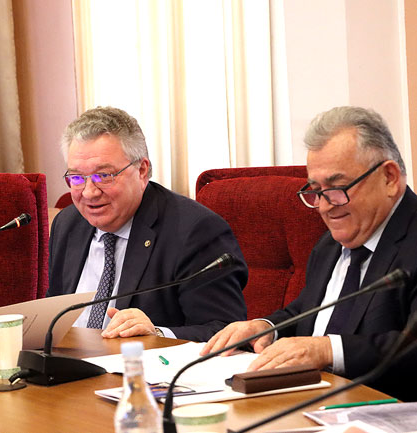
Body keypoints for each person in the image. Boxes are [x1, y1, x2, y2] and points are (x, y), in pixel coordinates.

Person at [202, 106, 417, 400]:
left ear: (389, 178)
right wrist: (266, 327)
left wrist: (327, 350)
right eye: (316, 190)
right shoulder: (330, 245)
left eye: (337, 188)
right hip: (306, 402)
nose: (324, 206)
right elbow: (308, 312)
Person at [48, 106, 247, 342]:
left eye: (104, 176)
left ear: (142, 171)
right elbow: (55, 314)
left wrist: (157, 334)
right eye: (77, 178)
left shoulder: (195, 231)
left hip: (141, 363)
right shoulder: (68, 224)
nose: (89, 192)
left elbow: (225, 331)